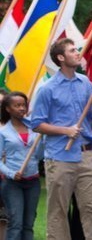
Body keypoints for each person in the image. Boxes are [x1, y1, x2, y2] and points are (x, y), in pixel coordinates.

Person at [29, 38, 92, 240]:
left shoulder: (86, 83)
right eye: (72, 50)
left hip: (86, 155)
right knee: (58, 210)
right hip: (59, 157)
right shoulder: (47, 89)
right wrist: (65, 131)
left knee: (91, 208)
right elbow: (36, 124)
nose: (77, 53)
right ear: (61, 58)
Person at [0, 91, 42, 240]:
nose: (21, 108)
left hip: (33, 182)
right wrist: (11, 173)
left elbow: (39, 155)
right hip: (12, 183)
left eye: (23, 105)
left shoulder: (35, 128)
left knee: (28, 224)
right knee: (15, 223)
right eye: (17, 105)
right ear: (8, 109)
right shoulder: (3, 132)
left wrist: (42, 140)